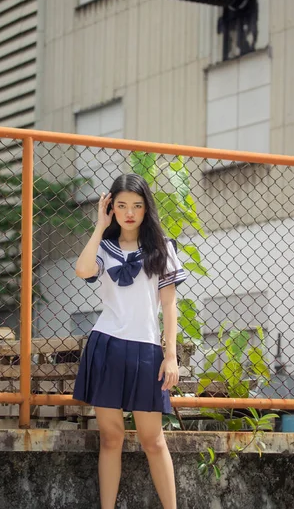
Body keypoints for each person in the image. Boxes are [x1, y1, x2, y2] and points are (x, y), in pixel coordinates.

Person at [73, 173, 187, 509]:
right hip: (106, 345)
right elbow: (81, 270)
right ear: (111, 208)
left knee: (154, 440)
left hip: (147, 350)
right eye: (121, 205)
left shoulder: (163, 248)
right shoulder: (104, 248)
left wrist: (171, 356)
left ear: (146, 208)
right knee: (110, 438)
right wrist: (98, 226)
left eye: (136, 205)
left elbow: (169, 306)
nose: (129, 212)